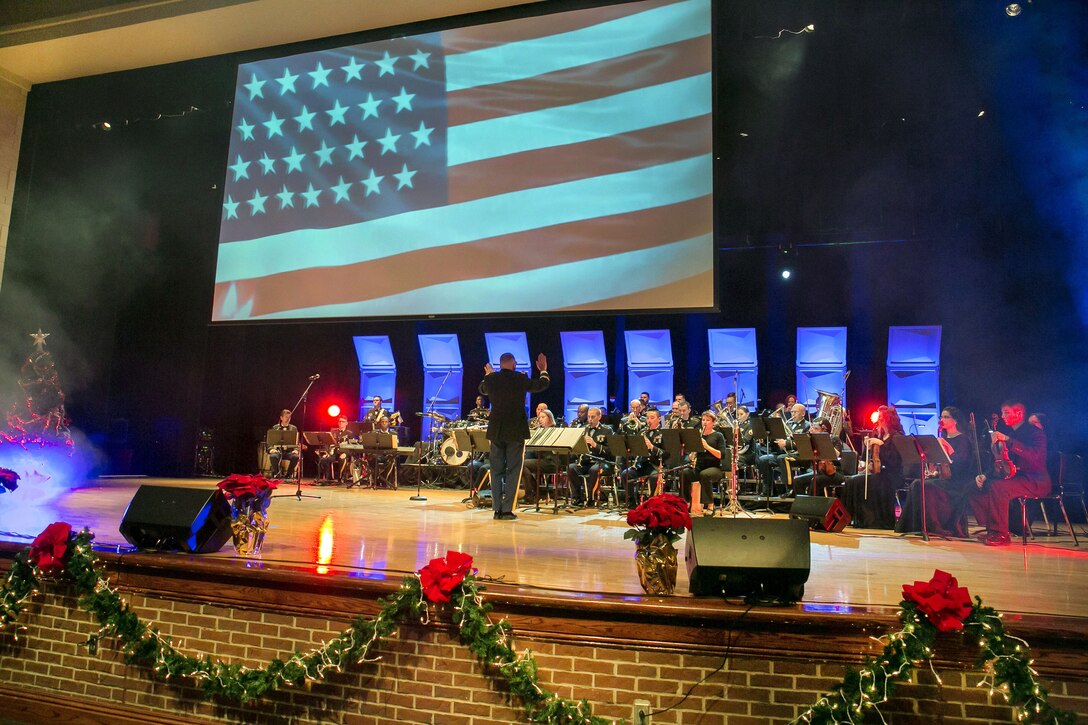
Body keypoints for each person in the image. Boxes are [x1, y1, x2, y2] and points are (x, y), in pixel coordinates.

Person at [479, 352, 550, 521]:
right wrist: (544, 371)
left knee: (495, 471)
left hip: (496, 431)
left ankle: (496, 509)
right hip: (515, 431)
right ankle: (507, 510)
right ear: (513, 364)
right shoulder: (520, 378)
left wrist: (488, 375)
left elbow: (482, 389)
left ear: (500, 363)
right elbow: (541, 385)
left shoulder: (492, 379)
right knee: (513, 471)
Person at [970, 400, 1050, 546]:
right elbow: (1000, 462)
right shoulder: (1011, 433)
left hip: (1034, 480)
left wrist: (1009, 440)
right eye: (1002, 413)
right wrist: (985, 476)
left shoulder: (1036, 434)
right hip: (1016, 478)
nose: (1003, 416)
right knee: (977, 486)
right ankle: (993, 529)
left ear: (1019, 414)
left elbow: (1035, 456)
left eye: (1006, 412)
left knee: (999, 488)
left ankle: (1001, 534)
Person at [895, 406, 976, 537]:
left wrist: (947, 454)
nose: (942, 419)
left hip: (956, 481)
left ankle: (934, 526)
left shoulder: (963, 440)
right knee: (917, 483)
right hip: (942, 478)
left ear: (955, 420)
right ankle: (913, 525)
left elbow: (961, 464)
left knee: (922, 485)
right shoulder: (941, 438)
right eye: (941, 417)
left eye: (946, 417)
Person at [839, 405, 904, 529]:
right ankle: (850, 517)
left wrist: (881, 445)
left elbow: (893, 460)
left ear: (888, 419)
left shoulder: (897, 436)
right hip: (879, 473)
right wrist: (869, 447)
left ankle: (870, 519)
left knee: (857, 481)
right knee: (851, 481)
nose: (878, 420)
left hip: (891, 475)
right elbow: (871, 458)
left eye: (880, 417)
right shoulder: (880, 435)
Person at [757, 403, 810, 496]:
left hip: (799, 455)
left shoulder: (807, 426)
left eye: (795, 412)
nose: (792, 414)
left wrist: (787, 444)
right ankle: (770, 489)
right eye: (792, 411)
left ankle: (790, 489)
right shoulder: (788, 424)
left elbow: (803, 444)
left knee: (783, 458)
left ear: (803, 413)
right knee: (763, 460)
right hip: (784, 453)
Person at [680, 411, 725, 516]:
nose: (705, 422)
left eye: (708, 420)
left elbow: (721, 455)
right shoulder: (698, 435)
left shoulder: (718, 436)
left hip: (714, 468)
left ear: (713, 422)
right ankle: (685, 503)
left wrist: (707, 447)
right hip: (699, 467)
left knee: (704, 474)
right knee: (684, 473)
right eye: (703, 420)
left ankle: (710, 505)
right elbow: (691, 455)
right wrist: (692, 454)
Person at [567, 407, 613, 505]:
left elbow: (611, 451)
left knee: (594, 470)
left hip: (601, 462)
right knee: (571, 467)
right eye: (588, 417)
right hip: (585, 461)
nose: (590, 419)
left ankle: (592, 499)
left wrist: (595, 445)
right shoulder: (583, 429)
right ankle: (577, 498)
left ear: (599, 417)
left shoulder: (607, 431)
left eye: (593, 417)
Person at [789, 417, 845, 497]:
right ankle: (802, 503)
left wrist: (823, 440)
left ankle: (812, 505)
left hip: (834, 472)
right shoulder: (811, 441)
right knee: (797, 481)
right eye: (812, 428)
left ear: (824, 430)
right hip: (819, 472)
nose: (812, 430)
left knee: (815, 481)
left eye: (815, 428)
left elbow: (838, 455)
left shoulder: (834, 439)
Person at [621, 408, 666, 506]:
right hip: (642, 464)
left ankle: (652, 502)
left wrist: (652, 447)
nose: (649, 420)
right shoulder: (642, 432)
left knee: (654, 477)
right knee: (625, 474)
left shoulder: (663, 433)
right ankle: (632, 500)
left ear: (659, 419)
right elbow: (635, 450)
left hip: (656, 465)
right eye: (647, 418)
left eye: (652, 418)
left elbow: (667, 454)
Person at [318, 415, 353, 482]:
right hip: (333, 453)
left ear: (346, 423)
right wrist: (326, 452)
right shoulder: (333, 432)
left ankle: (341, 478)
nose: (341, 423)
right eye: (339, 421)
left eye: (343, 421)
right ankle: (328, 478)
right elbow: (327, 443)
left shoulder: (349, 433)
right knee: (324, 459)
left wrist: (346, 453)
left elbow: (351, 447)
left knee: (342, 459)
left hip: (343, 453)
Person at [268, 409, 300, 478]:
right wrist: (271, 449)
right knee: (273, 456)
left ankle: (288, 475)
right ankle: (277, 474)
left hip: (288, 452)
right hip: (278, 451)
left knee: (296, 457)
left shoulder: (294, 428)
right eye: (286, 417)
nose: (288, 419)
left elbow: (297, 442)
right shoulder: (275, 427)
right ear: (281, 418)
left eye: (289, 417)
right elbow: (270, 441)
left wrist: (296, 450)